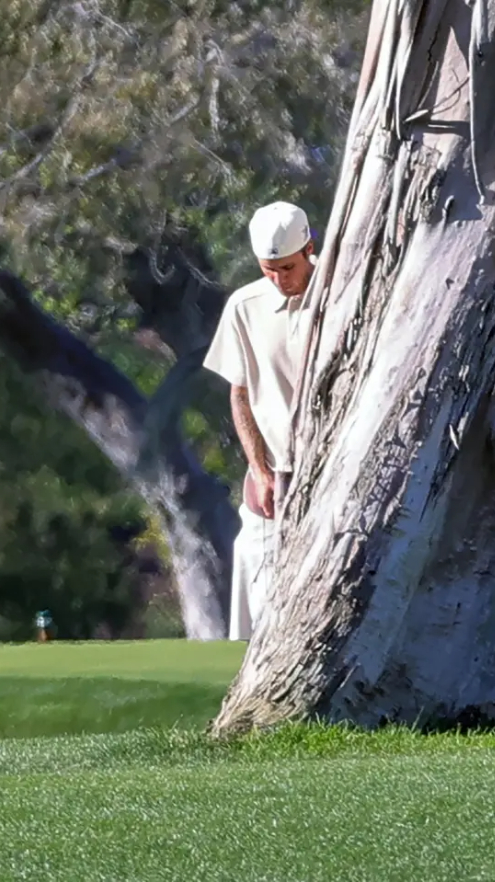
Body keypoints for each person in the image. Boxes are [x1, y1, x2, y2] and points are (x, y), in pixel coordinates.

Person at [203, 201, 317, 640]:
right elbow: (240, 393)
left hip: (335, 464)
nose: (279, 279)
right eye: (268, 269)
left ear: (309, 248)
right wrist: (259, 469)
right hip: (276, 469)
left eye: (287, 267)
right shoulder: (244, 305)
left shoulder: (346, 290)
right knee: (254, 566)